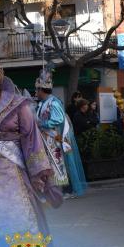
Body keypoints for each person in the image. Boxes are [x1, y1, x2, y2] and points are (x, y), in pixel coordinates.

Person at [0, 67, 62, 237]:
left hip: (12, 174)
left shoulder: (19, 104)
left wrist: (41, 175)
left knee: (20, 230)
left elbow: (32, 141)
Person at [36, 68, 86, 198]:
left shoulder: (53, 102)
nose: (36, 92)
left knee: (60, 163)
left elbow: (58, 118)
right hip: (48, 138)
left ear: (41, 90)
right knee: (53, 164)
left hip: (56, 138)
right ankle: (55, 189)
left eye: (37, 89)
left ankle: (68, 189)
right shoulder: (42, 103)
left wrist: (42, 124)